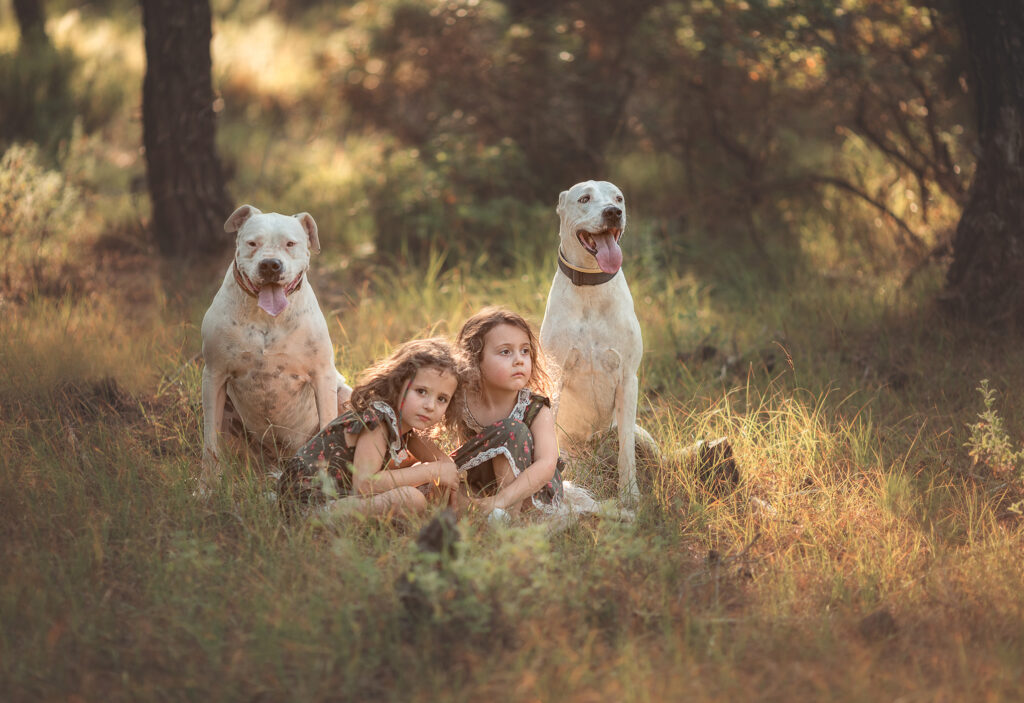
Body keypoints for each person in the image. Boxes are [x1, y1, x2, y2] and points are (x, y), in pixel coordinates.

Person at [278, 337, 463, 520]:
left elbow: (444, 464)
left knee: (422, 488)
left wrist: (445, 471)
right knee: (411, 498)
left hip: (342, 497)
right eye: (421, 391)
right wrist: (432, 471)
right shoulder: (378, 422)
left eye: (442, 399)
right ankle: (318, 519)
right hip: (311, 502)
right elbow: (365, 484)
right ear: (398, 385)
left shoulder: (405, 427)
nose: (430, 406)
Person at [451, 307, 564, 519]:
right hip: (480, 485)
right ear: (474, 359)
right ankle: (478, 511)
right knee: (436, 482)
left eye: (525, 351)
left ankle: (508, 515)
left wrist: (501, 500)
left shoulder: (536, 408)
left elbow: (546, 464)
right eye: (505, 352)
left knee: (511, 431)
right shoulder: (461, 401)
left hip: (528, 489)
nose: (519, 360)